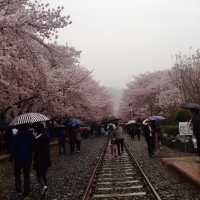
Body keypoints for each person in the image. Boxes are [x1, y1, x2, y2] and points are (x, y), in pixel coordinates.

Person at [11, 125, 34, 197]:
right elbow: (33, 146)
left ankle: (18, 189)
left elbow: (13, 148)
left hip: (18, 158)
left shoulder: (15, 136)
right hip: (27, 158)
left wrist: (13, 156)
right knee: (26, 175)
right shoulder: (30, 135)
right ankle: (26, 190)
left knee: (17, 174)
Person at [33, 124, 51, 197]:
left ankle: (44, 186)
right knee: (44, 173)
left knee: (38, 174)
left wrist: (34, 138)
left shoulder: (37, 139)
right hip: (46, 158)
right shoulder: (47, 136)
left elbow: (34, 149)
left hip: (39, 159)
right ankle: (45, 185)